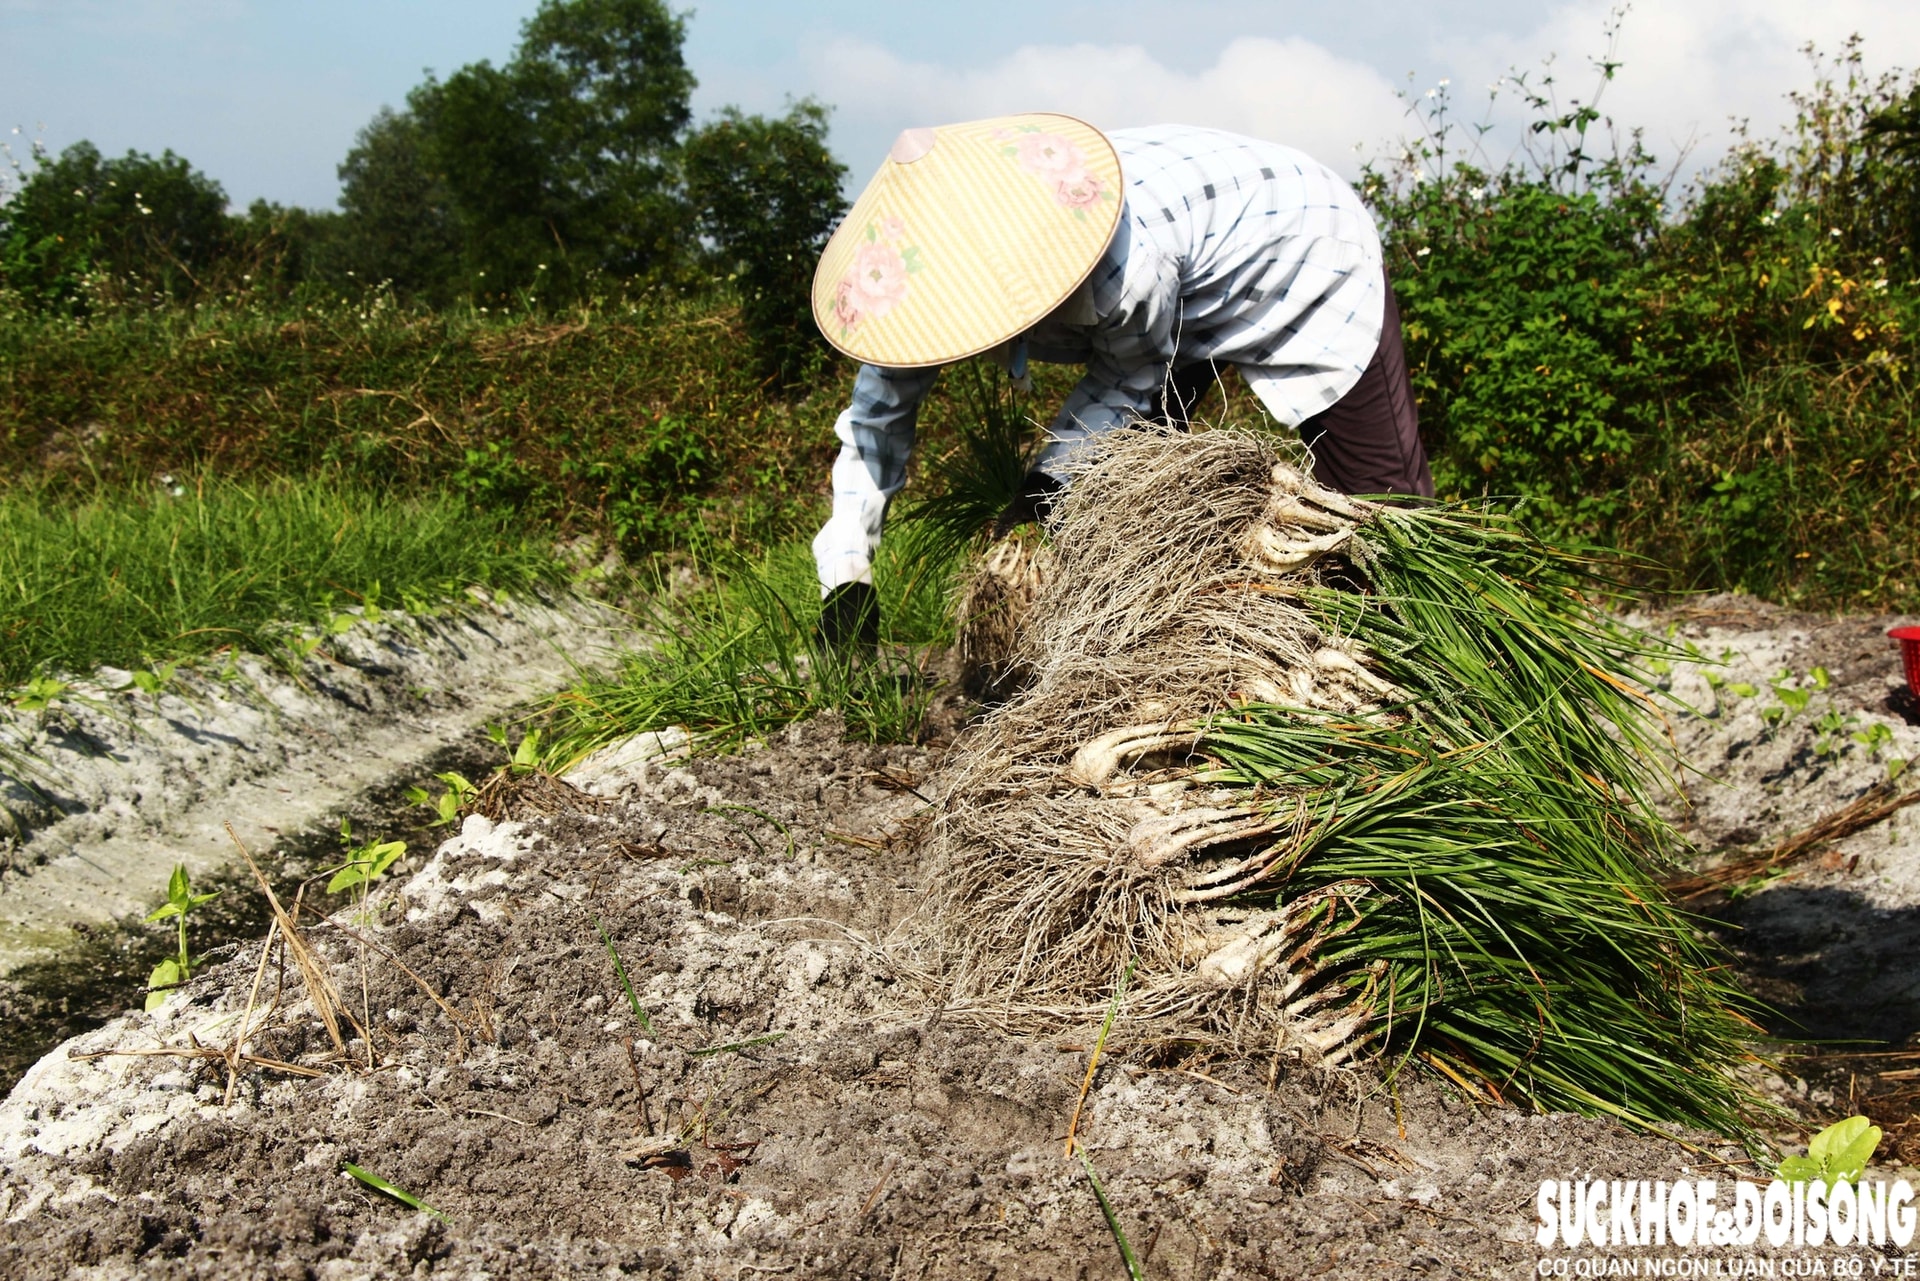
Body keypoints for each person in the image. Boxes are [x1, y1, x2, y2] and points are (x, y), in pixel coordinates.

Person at [808, 114, 1432, 647]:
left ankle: (1433, 664)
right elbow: (876, 422)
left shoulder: (1119, 268)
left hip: (1300, 245)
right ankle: (1164, 641)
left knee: (1382, 511)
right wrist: (847, 571)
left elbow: (1128, 378)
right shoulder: (907, 285)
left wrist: (1041, 488)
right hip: (1178, 285)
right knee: (1127, 502)